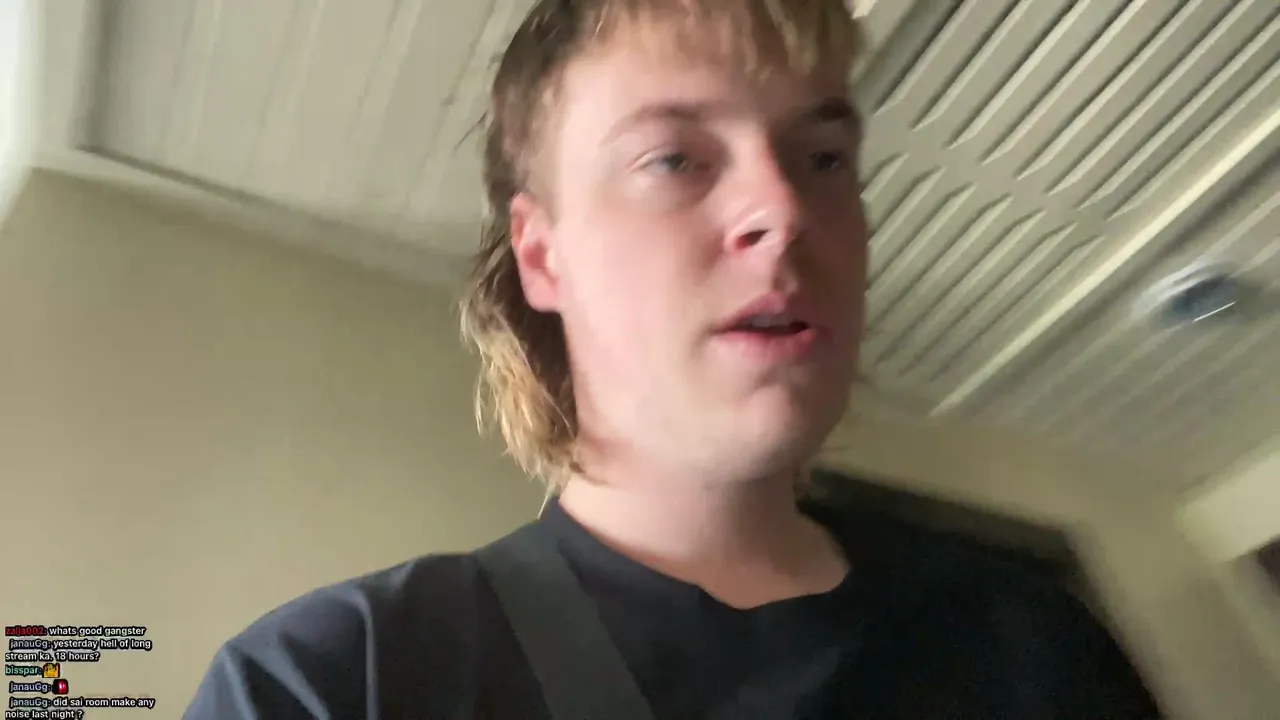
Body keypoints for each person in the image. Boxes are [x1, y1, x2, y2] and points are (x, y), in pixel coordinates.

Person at [183, 1, 1163, 717]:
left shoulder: (1036, 644)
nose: (782, 211)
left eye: (823, 159)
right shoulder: (329, 685)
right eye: (673, 159)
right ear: (542, 255)